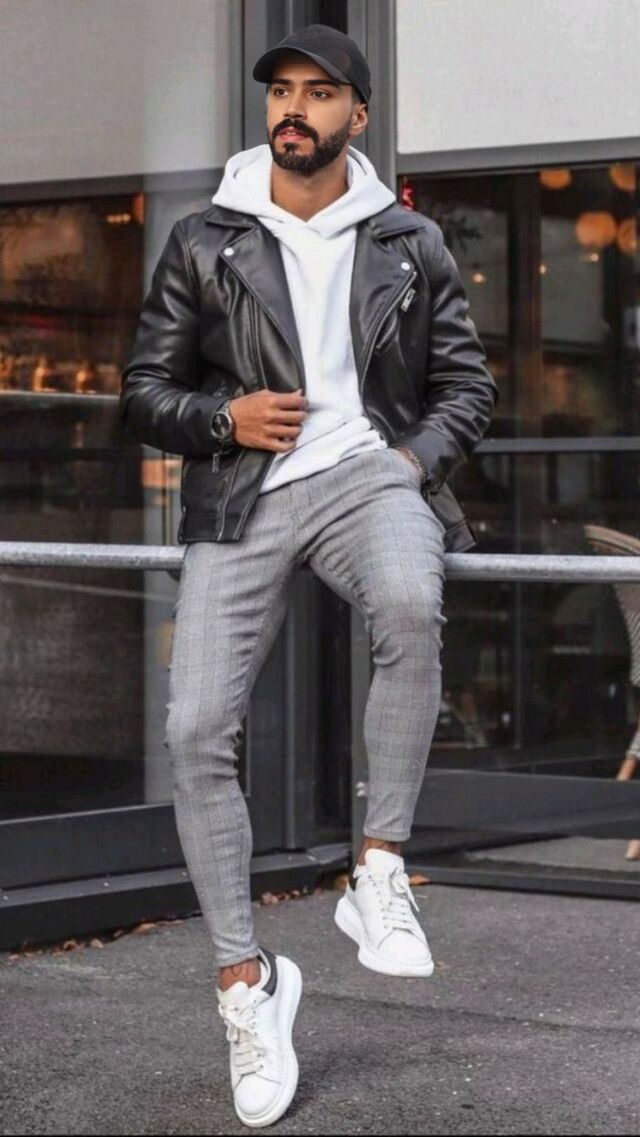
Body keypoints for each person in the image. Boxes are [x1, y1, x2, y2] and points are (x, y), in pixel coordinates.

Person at [120, 24, 497, 1129]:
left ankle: (378, 869)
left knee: (411, 601)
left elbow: (467, 388)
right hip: (244, 491)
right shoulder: (205, 238)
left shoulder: (409, 242)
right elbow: (143, 393)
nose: (293, 107)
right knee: (194, 727)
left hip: (368, 478)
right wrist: (221, 417)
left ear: (356, 116)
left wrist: (410, 462)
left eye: (319, 92)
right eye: (281, 90)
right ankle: (247, 983)